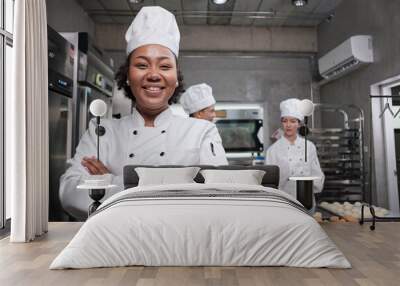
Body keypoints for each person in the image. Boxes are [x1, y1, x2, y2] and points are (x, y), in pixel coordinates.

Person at [59, 6, 228, 220]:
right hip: (115, 246)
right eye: (142, 65)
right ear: (128, 76)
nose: (154, 75)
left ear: (176, 79)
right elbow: (69, 193)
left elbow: (219, 195)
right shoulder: (102, 131)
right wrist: (179, 185)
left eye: (165, 66)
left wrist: (112, 181)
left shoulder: (202, 131)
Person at [266, 98, 324, 207]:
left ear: (299, 124)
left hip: (306, 201)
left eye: (293, 121)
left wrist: (313, 186)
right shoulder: (273, 150)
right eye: (285, 121)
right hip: (283, 203)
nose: (288, 125)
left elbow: (317, 175)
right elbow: (270, 182)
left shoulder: (309, 147)